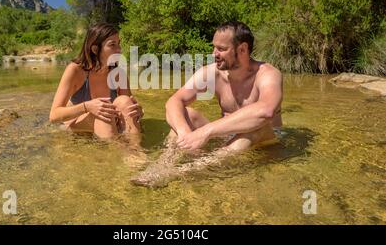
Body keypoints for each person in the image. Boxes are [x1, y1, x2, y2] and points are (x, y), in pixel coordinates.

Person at [132, 21, 282, 187]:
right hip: (227, 137)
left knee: (258, 127)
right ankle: (162, 165)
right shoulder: (212, 73)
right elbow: (174, 101)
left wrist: (205, 132)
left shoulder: (268, 74)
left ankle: (179, 172)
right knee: (186, 114)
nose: (213, 54)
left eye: (221, 49)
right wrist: (185, 134)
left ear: (242, 49)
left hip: (265, 140)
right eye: (214, 47)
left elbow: (266, 111)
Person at [49, 23, 143, 139]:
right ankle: (117, 154)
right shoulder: (75, 70)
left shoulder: (119, 74)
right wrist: (87, 106)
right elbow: (54, 116)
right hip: (79, 127)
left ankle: (136, 152)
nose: (119, 49)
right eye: (112, 45)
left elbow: (127, 110)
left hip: (107, 124)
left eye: (118, 44)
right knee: (104, 111)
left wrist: (137, 112)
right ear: (95, 49)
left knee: (125, 102)